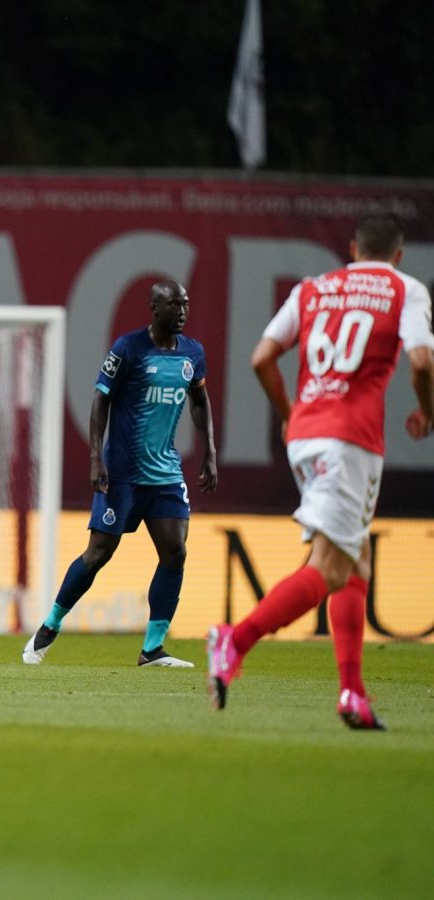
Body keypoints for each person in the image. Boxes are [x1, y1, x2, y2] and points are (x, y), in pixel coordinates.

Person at [208, 212, 434, 729]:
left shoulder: (313, 288)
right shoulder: (405, 289)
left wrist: (290, 414)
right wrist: (429, 410)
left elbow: (261, 357)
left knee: (355, 562)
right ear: (398, 255)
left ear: (353, 248)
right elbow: (422, 362)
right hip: (349, 439)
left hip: (306, 434)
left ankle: (353, 694)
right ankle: (235, 639)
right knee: (332, 568)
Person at [23, 280, 218, 668]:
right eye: (173, 304)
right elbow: (101, 400)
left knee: (175, 551)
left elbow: (200, 400)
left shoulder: (192, 353)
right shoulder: (128, 349)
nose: (182, 311)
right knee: (99, 553)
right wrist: (97, 457)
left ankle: (153, 648)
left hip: (165, 472)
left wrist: (209, 450)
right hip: (123, 472)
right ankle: (50, 625)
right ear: (154, 309)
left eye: (185, 304)